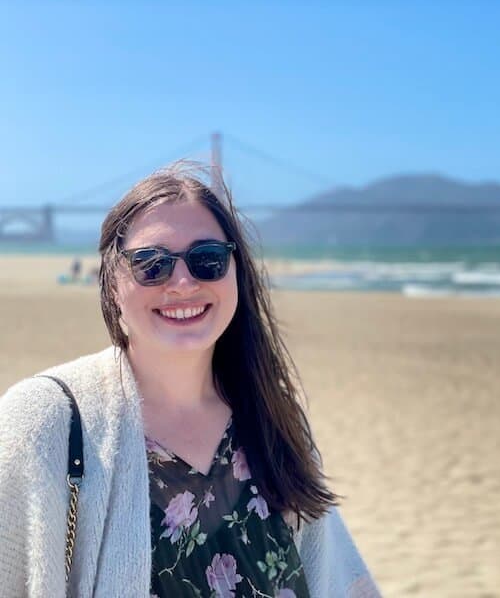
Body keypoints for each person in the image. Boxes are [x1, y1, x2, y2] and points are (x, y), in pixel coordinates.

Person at [0, 164, 380, 597]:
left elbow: (332, 572)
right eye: (151, 265)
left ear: (236, 272)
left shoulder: (273, 416)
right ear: (110, 286)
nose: (182, 282)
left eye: (207, 260)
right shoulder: (46, 420)